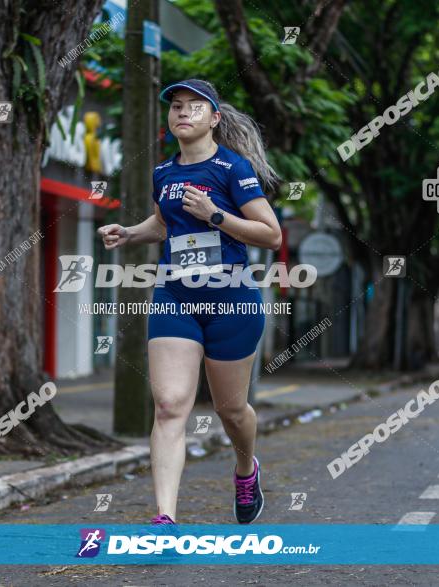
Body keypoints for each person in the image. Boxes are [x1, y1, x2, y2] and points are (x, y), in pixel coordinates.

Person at [98, 80, 282, 527]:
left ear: (214, 119)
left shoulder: (233, 169)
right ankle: (165, 518)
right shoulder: (164, 173)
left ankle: (245, 471)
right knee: (169, 404)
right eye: (176, 107)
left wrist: (215, 215)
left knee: (230, 410)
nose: (183, 113)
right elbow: (164, 224)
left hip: (231, 300)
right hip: (175, 296)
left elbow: (272, 235)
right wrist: (129, 233)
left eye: (194, 107)